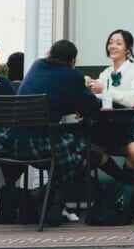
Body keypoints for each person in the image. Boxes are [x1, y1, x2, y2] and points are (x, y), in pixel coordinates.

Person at [15, 40, 102, 221]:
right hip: (44, 142)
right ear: (73, 61)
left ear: (50, 53)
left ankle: (49, 198)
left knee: (73, 152)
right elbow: (92, 107)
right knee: (86, 152)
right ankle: (46, 195)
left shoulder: (37, 65)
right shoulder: (71, 75)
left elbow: (52, 99)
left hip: (16, 143)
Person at [87, 29, 134, 189]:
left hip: (128, 126)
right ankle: (124, 184)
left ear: (128, 49)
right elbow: (96, 97)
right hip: (106, 126)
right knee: (88, 151)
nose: (113, 46)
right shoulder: (105, 73)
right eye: (110, 42)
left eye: (119, 43)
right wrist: (89, 86)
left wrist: (105, 91)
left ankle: (119, 187)